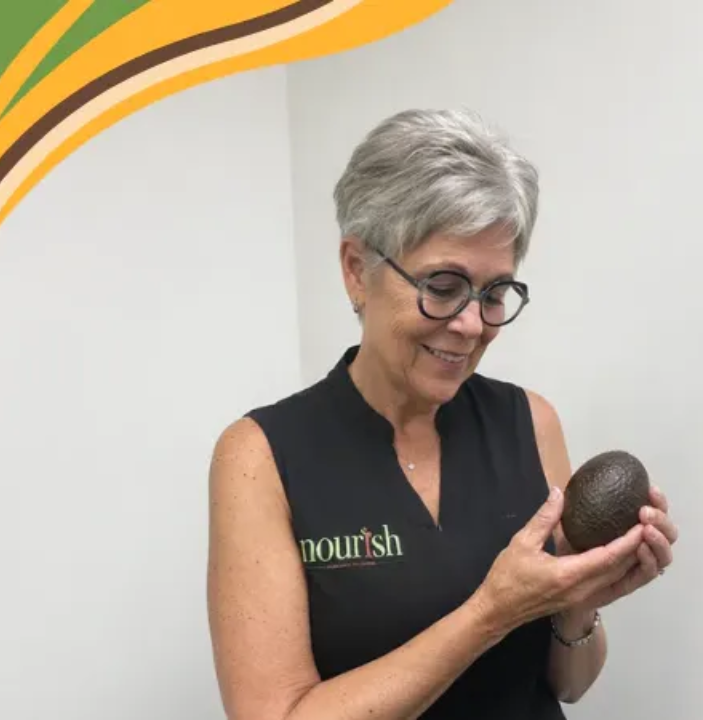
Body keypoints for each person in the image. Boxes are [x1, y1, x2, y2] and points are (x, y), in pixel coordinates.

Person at [206, 108, 679, 720]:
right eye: (444, 284)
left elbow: (569, 684)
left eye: (495, 292)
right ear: (357, 270)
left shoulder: (531, 422)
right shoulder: (261, 456)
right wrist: (492, 612)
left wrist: (577, 602)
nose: (472, 323)